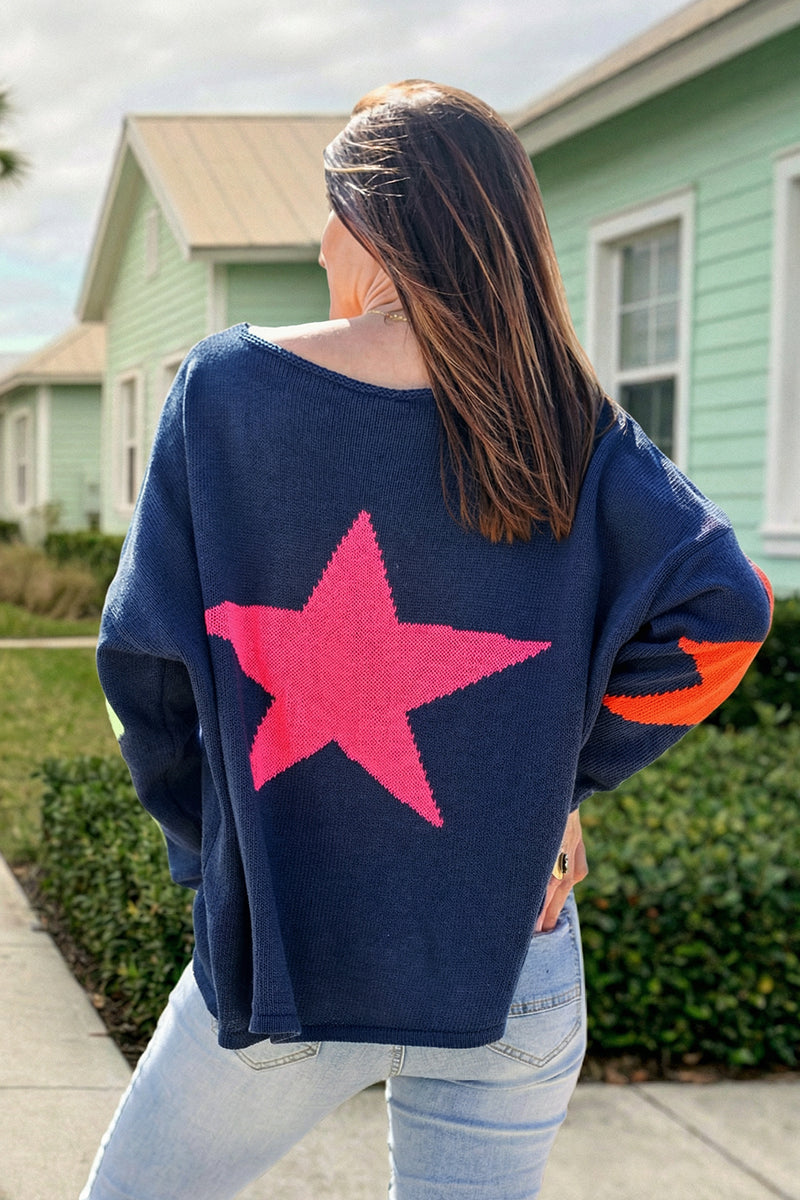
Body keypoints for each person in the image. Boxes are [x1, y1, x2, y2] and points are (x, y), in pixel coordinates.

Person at [83, 81, 772, 1200]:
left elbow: (142, 667)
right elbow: (723, 620)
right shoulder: (570, 420)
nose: (317, 244)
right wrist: (549, 779)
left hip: (292, 944)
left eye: (327, 211)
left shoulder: (225, 392)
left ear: (370, 221)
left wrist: (220, 856)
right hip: (512, 954)